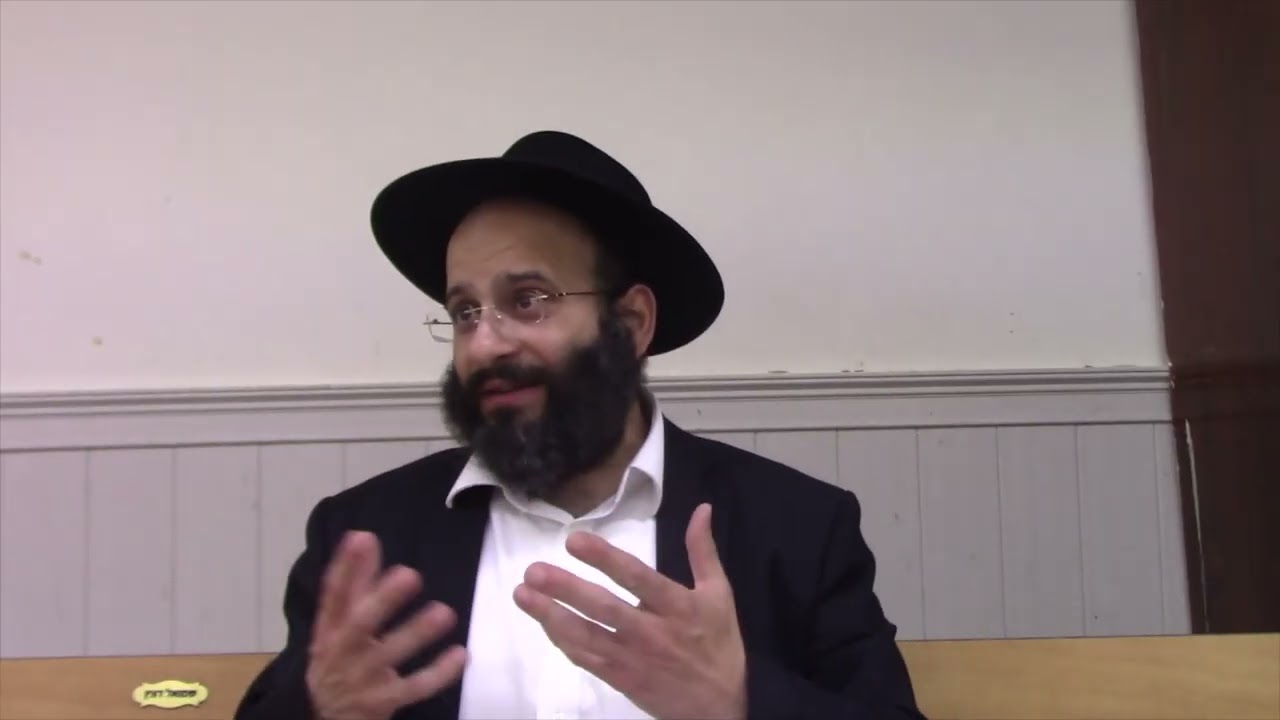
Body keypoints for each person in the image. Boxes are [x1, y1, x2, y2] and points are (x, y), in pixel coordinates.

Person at [234, 130, 924, 720]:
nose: (484, 344)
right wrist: (316, 707)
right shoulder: (367, 537)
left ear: (630, 323)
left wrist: (740, 701)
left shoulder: (796, 529)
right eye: (465, 311)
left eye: (527, 300)